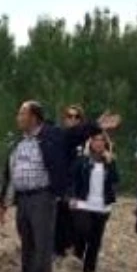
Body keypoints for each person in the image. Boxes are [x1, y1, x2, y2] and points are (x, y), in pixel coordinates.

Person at [0, 101, 120, 272]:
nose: (18, 117)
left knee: (42, 245)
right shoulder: (19, 143)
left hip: (42, 197)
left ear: (34, 117)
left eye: (22, 113)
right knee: (27, 246)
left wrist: (97, 126)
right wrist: (4, 202)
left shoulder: (52, 135)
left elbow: (76, 134)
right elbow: (11, 173)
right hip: (23, 200)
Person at [69, 133, 120, 272]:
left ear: (106, 143)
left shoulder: (109, 162)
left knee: (95, 239)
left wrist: (110, 163)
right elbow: (73, 179)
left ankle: (89, 269)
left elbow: (115, 180)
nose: (98, 143)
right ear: (90, 143)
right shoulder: (82, 160)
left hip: (102, 206)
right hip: (83, 204)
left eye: (101, 140)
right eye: (95, 140)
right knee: (82, 232)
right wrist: (72, 197)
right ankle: (76, 261)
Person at [54, 104, 86, 259]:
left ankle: (76, 252)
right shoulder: (60, 136)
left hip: (81, 186)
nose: (73, 119)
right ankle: (58, 250)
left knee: (80, 221)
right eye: (69, 116)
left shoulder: (87, 140)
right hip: (64, 184)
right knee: (61, 216)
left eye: (76, 116)